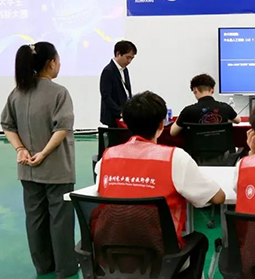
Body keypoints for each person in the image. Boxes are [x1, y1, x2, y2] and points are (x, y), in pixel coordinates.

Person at [95, 91, 225, 276]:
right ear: (161, 125)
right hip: (161, 258)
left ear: (127, 124)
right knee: (199, 240)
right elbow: (218, 198)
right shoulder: (175, 158)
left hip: (111, 257)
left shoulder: (107, 158)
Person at [1, 42, 77, 278]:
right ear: (51, 63)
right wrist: (43, 153)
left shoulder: (17, 92)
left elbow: (7, 125)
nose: (59, 64)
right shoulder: (59, 92)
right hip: (56, 169)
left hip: (28, 170)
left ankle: (43, 267)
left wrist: (20, 149)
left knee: (35, 219)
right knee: (60, 219)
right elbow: (62, 128)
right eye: (58, 60)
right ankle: (65, 267)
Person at [170, 74, 240, 137]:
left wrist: (181, 117)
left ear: (194, 90)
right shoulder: (225, 107)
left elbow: (173, 132)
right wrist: (224, 120)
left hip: (196, 147)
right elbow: (238, 120)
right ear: (212, 89)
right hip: (223, 147)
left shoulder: (188, 111)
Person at [100, 40, 137, 127]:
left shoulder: (125, 70)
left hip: (125, 115)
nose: (129, 61)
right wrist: (120, 112)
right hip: (113, 117)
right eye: (127, 57)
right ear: (118, 54)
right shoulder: (108, 71)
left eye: (132, 58)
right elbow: (106, 96)